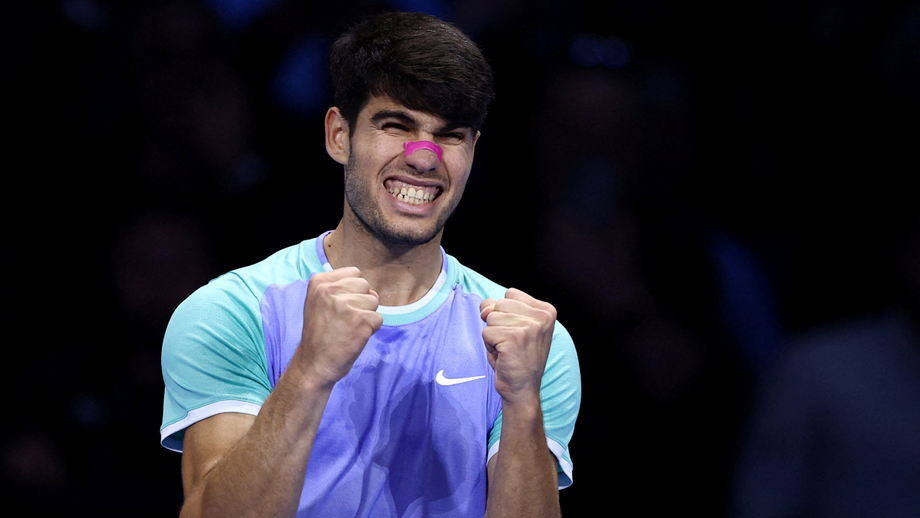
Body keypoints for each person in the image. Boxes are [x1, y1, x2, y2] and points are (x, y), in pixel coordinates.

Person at [159, 11, 581, 518]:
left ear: (472, 150)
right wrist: (309, 372)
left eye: (449, 135)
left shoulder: (531, 344)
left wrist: (522, 401)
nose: (423, 158)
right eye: (397, 125)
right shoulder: (231, 313)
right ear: (340, 135)